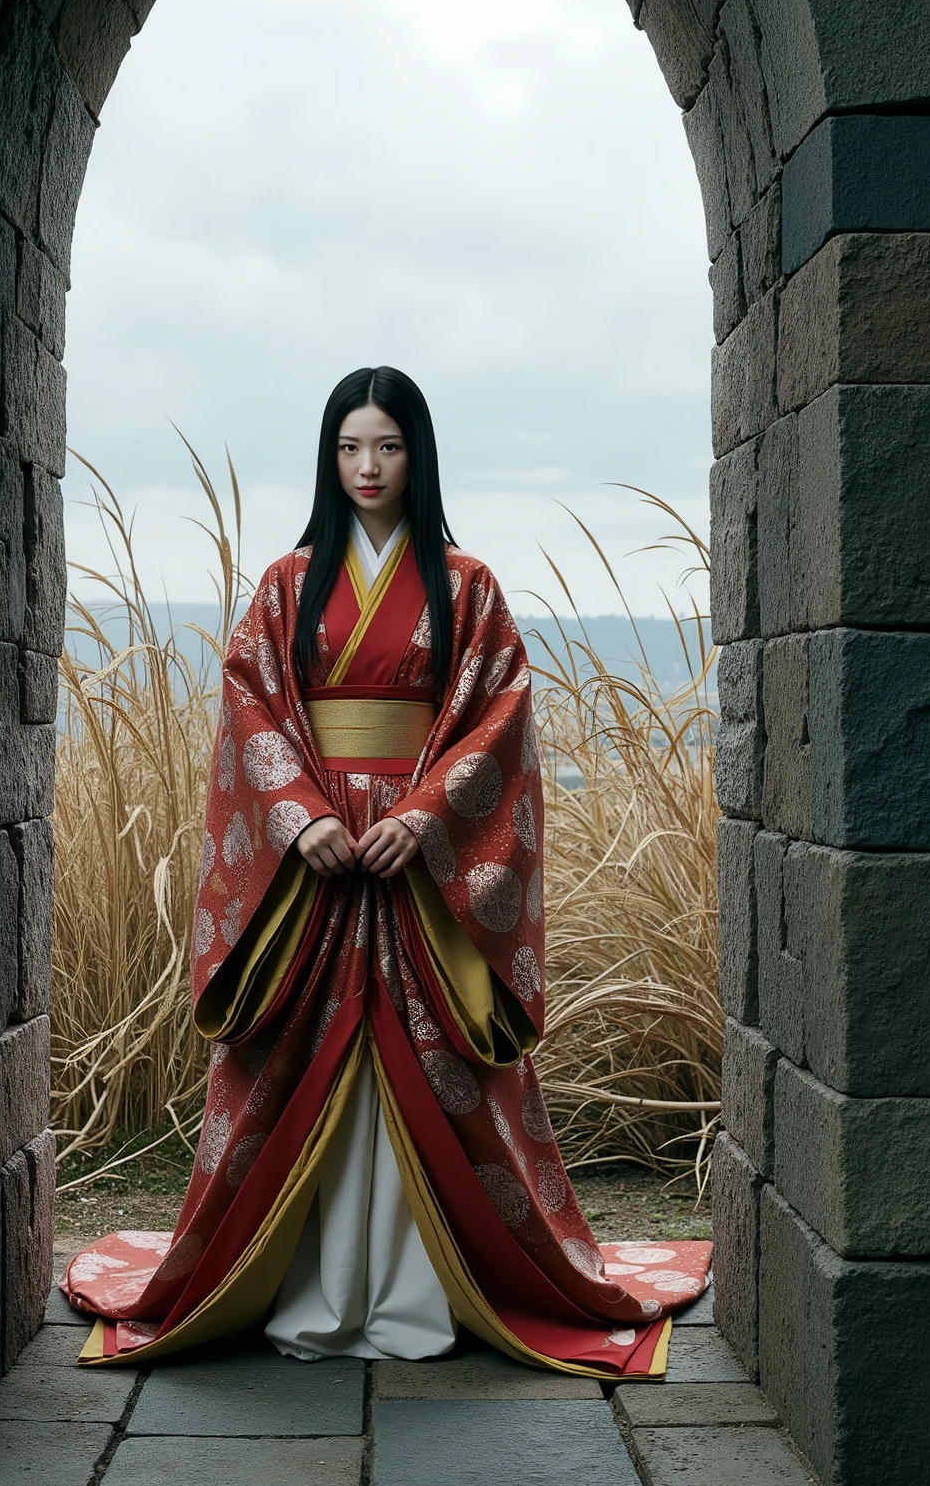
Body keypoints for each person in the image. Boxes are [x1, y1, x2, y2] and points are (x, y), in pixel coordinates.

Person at [64, 367, 708, 1374]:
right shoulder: (286, 581)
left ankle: (424, 1285)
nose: (368, 466)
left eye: (388, 446)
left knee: (439, 1057)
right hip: (312, 860)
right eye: (349, 447)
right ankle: (296, 1280)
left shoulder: (467, 584)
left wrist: (422, 814)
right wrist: (298, 814)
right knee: (287, 1049)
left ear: (418, 454)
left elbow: (498, 717)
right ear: (329, 458)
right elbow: (249, 707)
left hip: (417, 860)